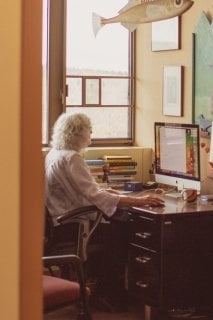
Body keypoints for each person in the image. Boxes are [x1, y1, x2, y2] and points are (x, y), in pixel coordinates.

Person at [45, 112, 164, 312]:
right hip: (73, 225)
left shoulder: (55, 153)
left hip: (58, 224)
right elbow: (95, 196)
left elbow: (87, 189)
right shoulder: (72, 158)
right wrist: (139, 200)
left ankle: (108, 288)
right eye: (88, 129)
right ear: (78, 133)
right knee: (122, 231)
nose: (91, 133)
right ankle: (110, 292)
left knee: (120, 223)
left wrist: (113, 192)